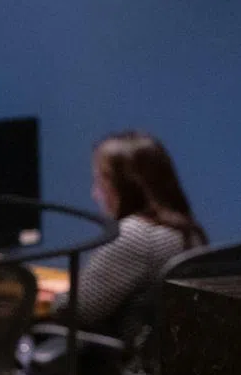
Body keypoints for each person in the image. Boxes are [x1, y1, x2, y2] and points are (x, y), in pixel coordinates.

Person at [55, 130, 208, 345]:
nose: (95, 194)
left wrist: (45, 300)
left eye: (100, 182)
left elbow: (75, 310)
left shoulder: (134, 236)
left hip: (119, 360)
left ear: (124, 187)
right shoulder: (187, 229)